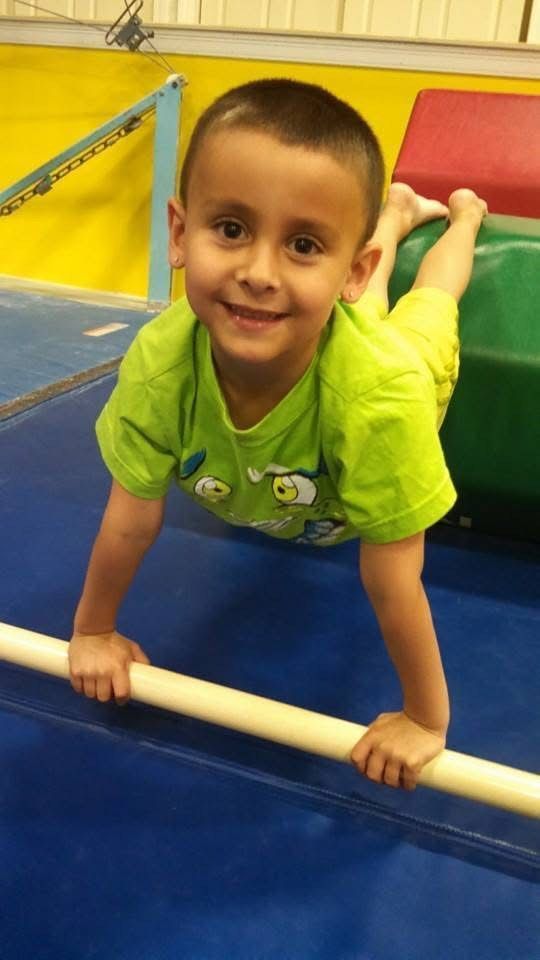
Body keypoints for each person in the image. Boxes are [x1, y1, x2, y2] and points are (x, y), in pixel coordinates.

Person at [68, 79, 487, 792]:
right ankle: (392, 212)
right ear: (179, 234)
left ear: (345, 271)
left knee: (426, 305)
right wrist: (93, 630)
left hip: (400, 371)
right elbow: (130, 521)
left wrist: (426, 719)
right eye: (230, 229)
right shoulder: (161, 361)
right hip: (334, 336)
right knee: (338, 313)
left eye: (302, 243)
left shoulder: (383, 399)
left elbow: (393, 581)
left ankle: (462, 220)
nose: (257, 273)